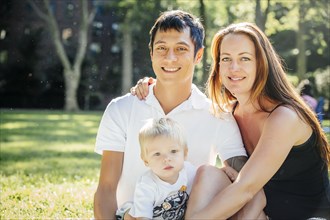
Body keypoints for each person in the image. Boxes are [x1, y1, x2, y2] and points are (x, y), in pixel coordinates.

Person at [133, 22, 330, 219]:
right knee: (208, 173)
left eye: (244, 58)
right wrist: (151, 86)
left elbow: (245, 188)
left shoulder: (285, 116)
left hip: (308, 217)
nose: (234, 68)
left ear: (261, 63)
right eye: (226, 59)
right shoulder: (228, 114)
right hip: (261, 212)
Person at [93, 10, 253, 220]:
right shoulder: (121, 109)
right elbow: (106, 187)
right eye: (161, 48)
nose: (170, 58)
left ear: (198, 55)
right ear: (151, 53)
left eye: (180, 49)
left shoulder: (218, 116)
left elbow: (244, 180)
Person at [118, 117, 196, 220]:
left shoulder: (190, 171)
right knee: (131, 217)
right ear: (146, 160)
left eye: (173, 151)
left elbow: (207, 183)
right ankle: (124, 213)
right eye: (157, 154)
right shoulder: (147, 185)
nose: (166, 159)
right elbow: (143, 217)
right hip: (139, 214)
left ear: (185, 153)